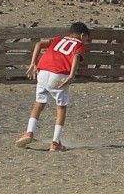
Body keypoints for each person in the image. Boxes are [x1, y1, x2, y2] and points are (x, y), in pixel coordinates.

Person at [18, 21, 89, 151]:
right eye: (86, 38)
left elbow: (39, 44)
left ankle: (29, 132)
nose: (86, 41)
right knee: (61, 107)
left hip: (43, 71)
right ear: (82, 35)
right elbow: (76, 57)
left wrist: (33, 63)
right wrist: (71, 75)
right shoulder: (79, 44)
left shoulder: (58, 39)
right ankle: (55, 143)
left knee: (38, 103)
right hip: (59, 74)